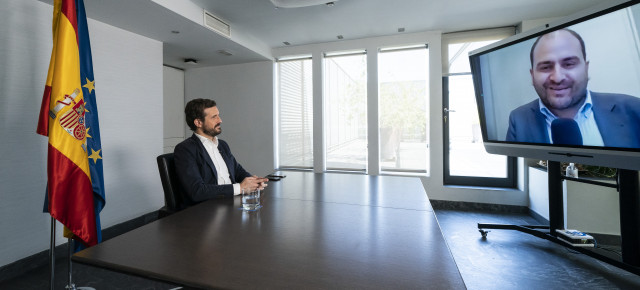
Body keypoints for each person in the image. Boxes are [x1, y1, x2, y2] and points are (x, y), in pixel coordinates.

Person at [505, 28, 640, 147]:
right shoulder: (518, 119)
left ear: (586, 68)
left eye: (569, 64)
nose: (557, 78)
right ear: (532, 75)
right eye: (545, 67)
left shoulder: (634, 108)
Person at [174, 98, 268, 208]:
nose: (220, 120)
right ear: (198, 122)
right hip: (206, 210)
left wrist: (253, 182)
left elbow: (237, 171)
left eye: (218, 115)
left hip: (230, 203)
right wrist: (240, 188)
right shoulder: (185, 149)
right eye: (214, 117)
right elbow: (197, 191)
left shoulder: (222, 145)